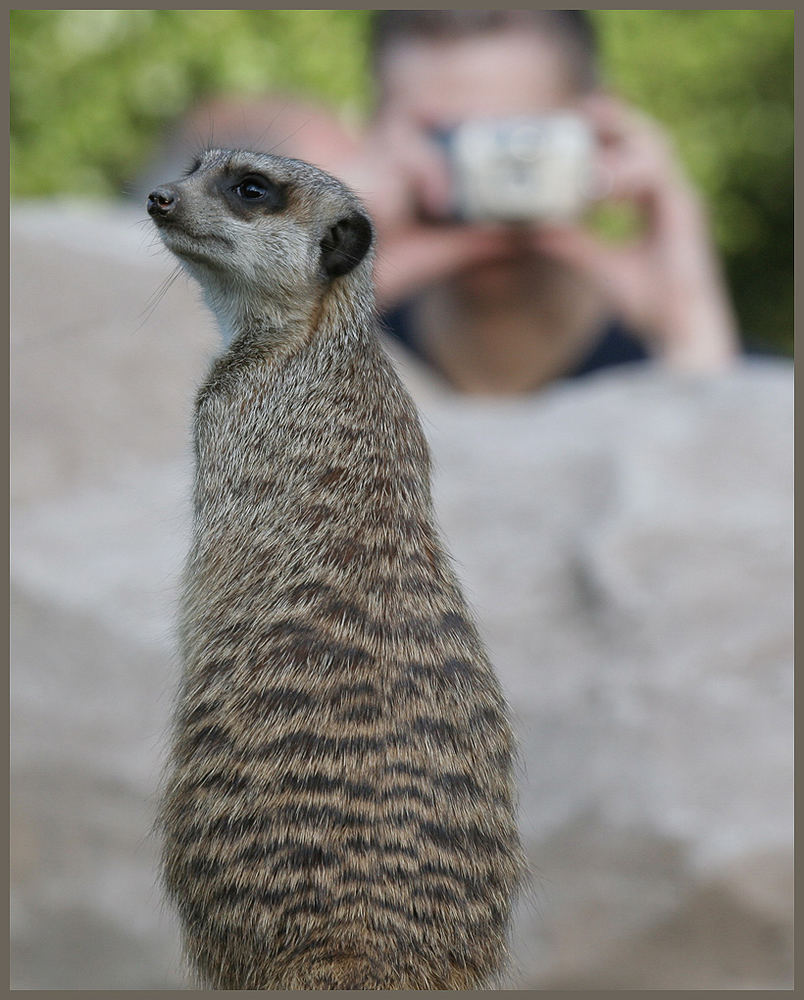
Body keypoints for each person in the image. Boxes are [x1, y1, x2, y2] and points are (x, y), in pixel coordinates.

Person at [340, 9, 739, 394]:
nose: (486, 177)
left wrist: (691, 333)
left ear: (600, 131)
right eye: (447, 143)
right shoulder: (337, 354)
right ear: (376, 139)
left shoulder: (693, 360)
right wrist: (326, 280)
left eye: (519, 141)